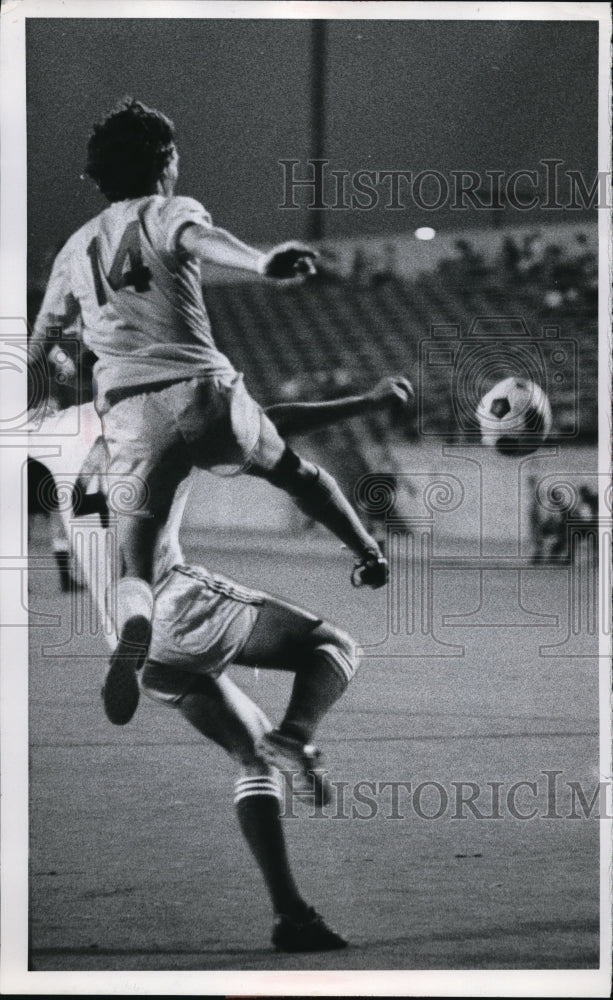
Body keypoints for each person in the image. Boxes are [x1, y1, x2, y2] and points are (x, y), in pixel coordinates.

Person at [29, 98, 391, 731]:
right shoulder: (169, 210)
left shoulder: (74, 251)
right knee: (296, 473)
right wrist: (260, 262)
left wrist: (46, 379)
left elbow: (39, 345)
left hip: (133, 415)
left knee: (134, 561)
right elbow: (200, 240)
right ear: (165, 161)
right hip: (205, 389)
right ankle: (364, 550)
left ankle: (137, 619)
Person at [29, 377, 413, 952]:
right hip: (173, 599)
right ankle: (299, 737)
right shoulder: (162, 411)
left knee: (248, 754)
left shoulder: (55, 430)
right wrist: (369, 401)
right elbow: (270, 423)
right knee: (332, 647)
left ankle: (291, 916)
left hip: (129, 632)